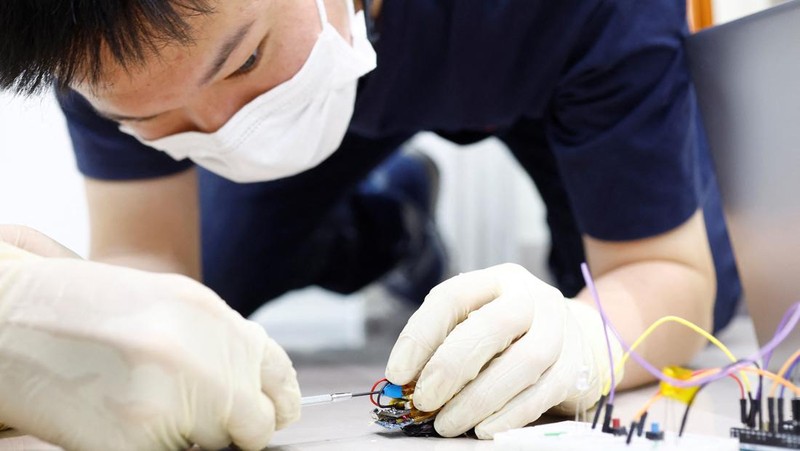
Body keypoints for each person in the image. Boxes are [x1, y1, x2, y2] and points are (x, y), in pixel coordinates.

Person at [0, 0, 741, 449]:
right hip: (333, 79)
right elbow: (145, 254)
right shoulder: (100, 49)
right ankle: (394, 224)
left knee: (696, 285)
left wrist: (585, 341)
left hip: (549, 73)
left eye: (245, 59)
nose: (225, 130)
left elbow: (666, 271)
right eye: (154, 119)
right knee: (209, 295)